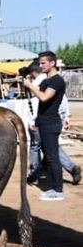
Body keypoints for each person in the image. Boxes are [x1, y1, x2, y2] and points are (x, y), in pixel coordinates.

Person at [26, 63, 82, 187]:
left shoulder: (40, 82)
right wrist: (65, 116)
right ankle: (71, 168)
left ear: (32, 73)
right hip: (51, 120)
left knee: (36, 147)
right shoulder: (53, 80)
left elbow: (38, 103)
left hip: (41, 121)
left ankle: (35, 175)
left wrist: (32, 121)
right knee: (52, 148)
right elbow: (63, 100)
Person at [24, 51, 67, 201]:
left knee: (52, 158)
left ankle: (58, 190)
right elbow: (37, 97)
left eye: (43, 63)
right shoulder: (46, 81)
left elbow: (43, 97)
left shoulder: (57, 81)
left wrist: (30, 85)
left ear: (52, 63)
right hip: (43, 122)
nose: (41, 65)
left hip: (51, 123)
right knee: (49, 157)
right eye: (40, 63)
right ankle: (54, 188)